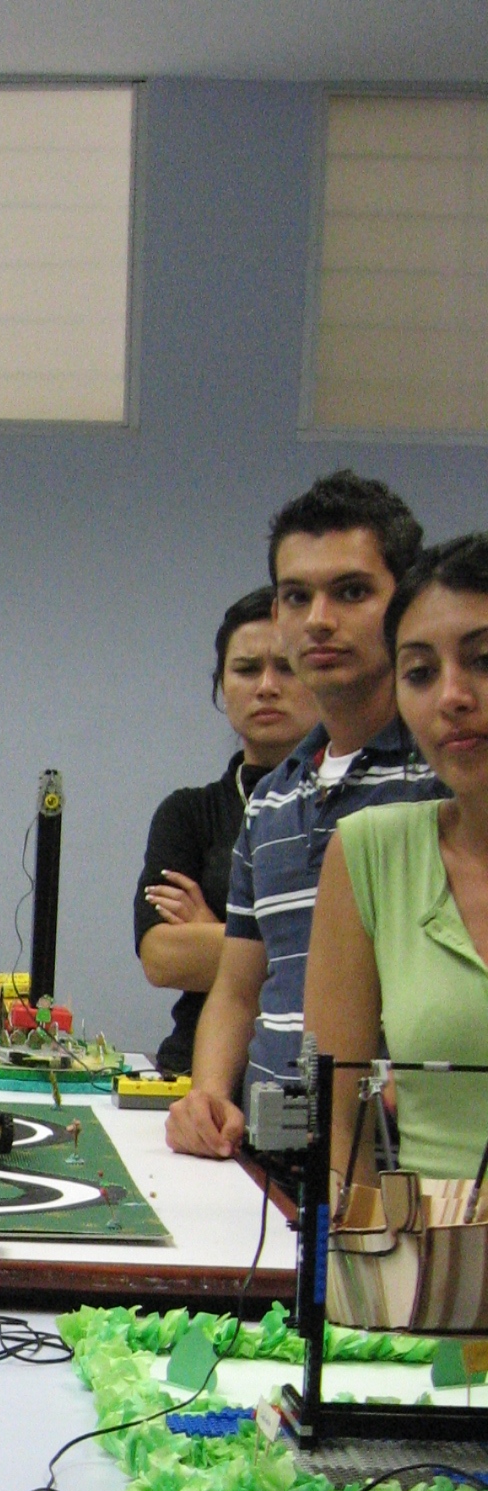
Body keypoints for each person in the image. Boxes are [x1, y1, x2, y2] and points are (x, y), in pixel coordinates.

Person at [167, 471, 435, 1160]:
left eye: (351, 592)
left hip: (402, 1169)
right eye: (296, 596)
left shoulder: (447, 782)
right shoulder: (276, 796)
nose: (318, 619)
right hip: (271, 1158)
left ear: (405, 604)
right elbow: (235, 986)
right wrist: (207, 1094)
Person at [306, 532, 488, 1183]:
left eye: (484, 659)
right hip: (433, 1265)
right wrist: (363, 1261)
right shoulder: (371, 850)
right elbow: (333, 1116)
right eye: (419, 673)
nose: (451, 697)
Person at [134, 588, 312, 1076]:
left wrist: (215, 929)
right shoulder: (188, 813)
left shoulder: (347, 808)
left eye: (287, 667)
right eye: (247, 669)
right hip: (193, 1073)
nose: (267, 686)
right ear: (221, 687)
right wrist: (292, 943)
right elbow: (162, 959)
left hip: (306, 1075)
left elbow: (359, 970)